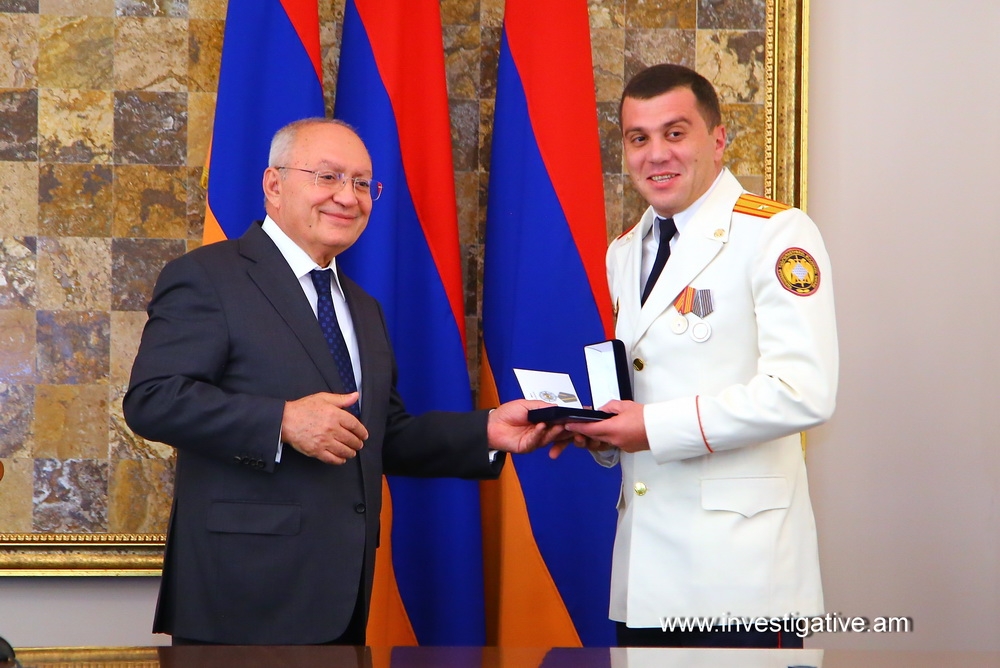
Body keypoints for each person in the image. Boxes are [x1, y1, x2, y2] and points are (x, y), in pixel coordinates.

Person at [123, 118, 566, 646]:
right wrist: (283, 421)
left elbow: (379, 433)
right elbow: (153, 399)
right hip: (239, 595)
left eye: (361, 183)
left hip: (341, 598)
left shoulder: (361, 306)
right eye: (328, 177)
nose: (347, 197)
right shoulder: (208, 276)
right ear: (274, 185)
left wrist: (488, 431)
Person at [557, 64, 838, 648]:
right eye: (638, 138)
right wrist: (604, 430)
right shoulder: (625, 249)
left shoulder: (776, 234)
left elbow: (803, 393)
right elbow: (652, 380)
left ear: (718, 139)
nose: (656, 154)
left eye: (675, 133)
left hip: (740, 578)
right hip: (645, 573)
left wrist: (651, 428)